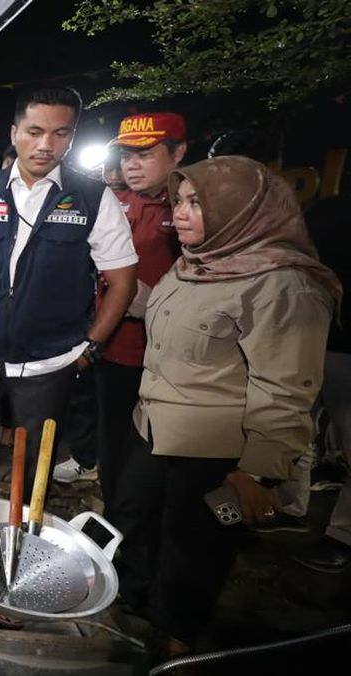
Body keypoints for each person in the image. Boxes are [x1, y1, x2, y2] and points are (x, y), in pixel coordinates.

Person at [107, 156, 338, 657]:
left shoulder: (284, 286)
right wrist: (119, 285)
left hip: (215, 453)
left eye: (197, 204)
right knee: (131, 520)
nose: (182, 214)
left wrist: (257, 473)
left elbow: (286, 388)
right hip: (153, 427)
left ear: (241, 210)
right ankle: (129, 612)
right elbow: (173, 319)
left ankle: (174, 648)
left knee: (193, 551)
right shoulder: (197, 263)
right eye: (181, 201)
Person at [0, 87, 138, 498]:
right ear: (14, 133)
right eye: (34, 131)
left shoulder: (93, 199)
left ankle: (25, 544)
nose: (46, 144)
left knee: (35, 467)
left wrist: (91, 347)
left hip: (49, 360)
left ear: (71, 136)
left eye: (60, 133)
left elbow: (122, 281)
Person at [54, 112, 185, 499]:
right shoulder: (111, 201)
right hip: (112, 347)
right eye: (126, 154)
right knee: (111, 440)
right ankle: (115, 521)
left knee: (157, 453)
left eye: (144, 154)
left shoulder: (191, 206)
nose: (131, 164)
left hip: (169, 356)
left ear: (178, 153)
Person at [292, 195, 351, 573]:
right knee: (295, 426)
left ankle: (343, 536)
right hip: (313, 335)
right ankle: (288, 506)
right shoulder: (328, 209)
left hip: (342, 346)